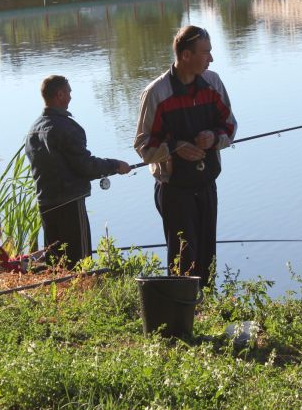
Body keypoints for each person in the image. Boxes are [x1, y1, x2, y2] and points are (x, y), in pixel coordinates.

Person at [134, 25, 237, 287]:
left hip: (206, 184)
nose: (211, 59)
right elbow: (144, 147)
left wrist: (214, 138)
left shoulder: (212, 83)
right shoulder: (156, 93)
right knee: (183, 259)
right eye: (206, 53)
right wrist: (174, 147)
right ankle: (182, 315)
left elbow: (230, 126)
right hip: (174, 190)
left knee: (207, 257)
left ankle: (207, 311)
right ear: (186, 56)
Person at [25, 75, 131, 268]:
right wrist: (115, 165)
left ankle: (60, 295)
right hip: (70, 204)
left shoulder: (33, 129)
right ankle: (83, 293)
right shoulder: (67, 127)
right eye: (69, 92)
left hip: (46, 203)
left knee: (55, 260)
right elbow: (85, 166)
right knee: (80, 260)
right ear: (60, 94)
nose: (71, 96)